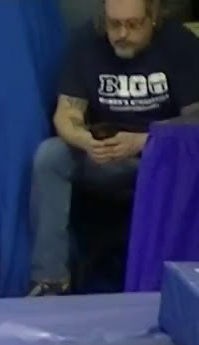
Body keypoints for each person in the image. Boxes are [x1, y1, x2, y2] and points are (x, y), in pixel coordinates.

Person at [29, 0, 199, 296]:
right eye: (114, 24)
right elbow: (66, 113)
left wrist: (144, 141)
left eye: (133, 25)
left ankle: (169, 285)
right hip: (104, 157)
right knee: (51, 156)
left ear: (153, 18)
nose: (122, 34)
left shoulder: (180, 44)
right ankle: (50, 280)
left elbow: (195, 122)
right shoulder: (85, 42)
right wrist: (84, 140)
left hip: (160, 162)